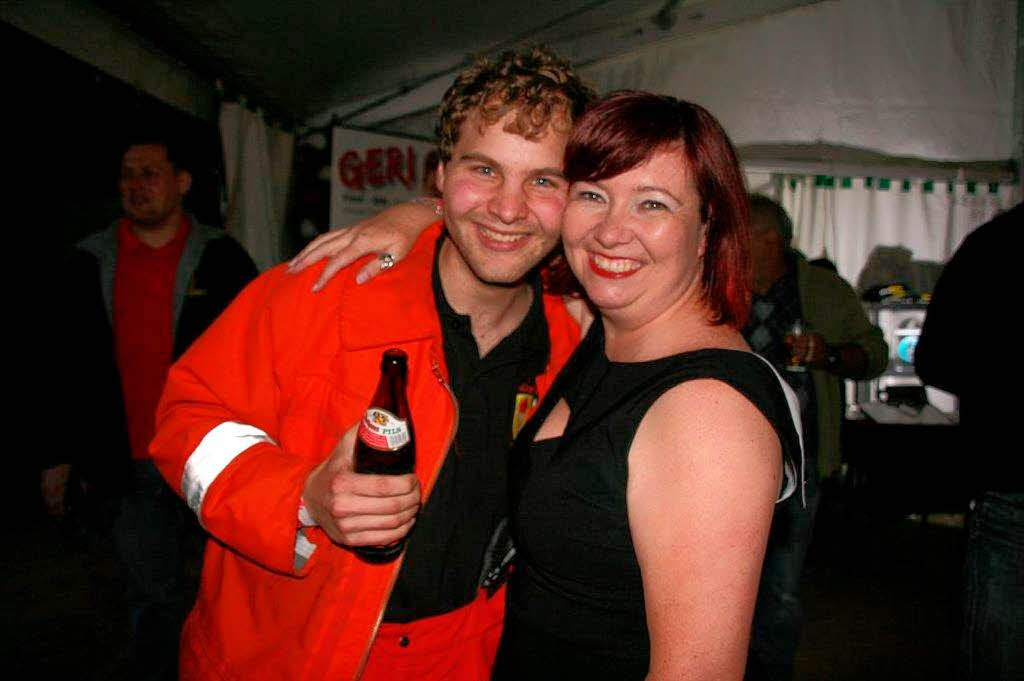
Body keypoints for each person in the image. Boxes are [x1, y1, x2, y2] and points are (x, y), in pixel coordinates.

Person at [298, 91, 804, 680]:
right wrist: (420, 212)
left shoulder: (708, 413)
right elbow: (508, 213)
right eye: (593, 194)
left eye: (653, 204)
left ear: (707, 229)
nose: (613, 231)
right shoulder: (609, 330)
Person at [148, 47, 593, 681]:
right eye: (483, 169)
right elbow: (186, 420)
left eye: (543, 180)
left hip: (470, 658)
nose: (508, 208)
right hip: (282, 660)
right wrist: (299, 497)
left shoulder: (573, 345)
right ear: (438, 177)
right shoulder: (319, 293)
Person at [45, 132, 258, 680]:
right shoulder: (88, 262)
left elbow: (261, 349)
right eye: (126, 175)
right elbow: (61, 363)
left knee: (221, 577)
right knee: (150, 583)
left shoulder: (222, 258)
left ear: (182, 184)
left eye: (149, 174)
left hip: (209, 452)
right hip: (128, 456)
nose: (135, 186)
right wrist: (58, 453)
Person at [742, 194, 888, 681]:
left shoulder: (823, 290)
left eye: (741, 234)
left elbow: (874, 354)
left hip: (798, 467)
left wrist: (827, 355)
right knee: (724, 584)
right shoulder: (720, 285)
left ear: (769, 239)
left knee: (780, 587)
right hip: (726, 466)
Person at [914, 203, 1022, 681]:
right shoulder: (996, 248)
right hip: (1011, 482)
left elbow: (936, 358)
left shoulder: (993, 245)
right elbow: (935, 358)